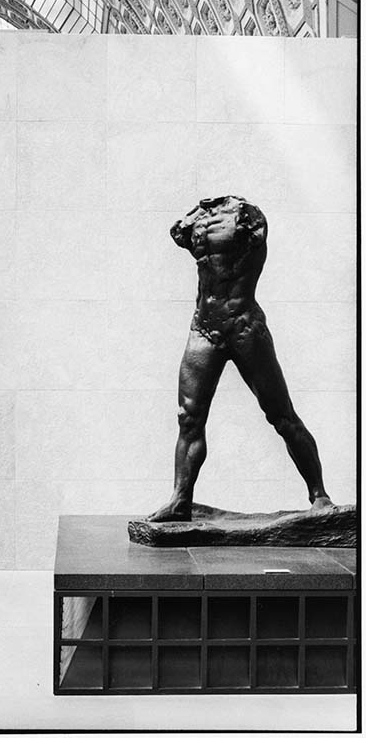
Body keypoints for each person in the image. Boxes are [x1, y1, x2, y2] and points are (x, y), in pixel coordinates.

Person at [148, 195, 332, 522]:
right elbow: (179, 235)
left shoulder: (248, 217)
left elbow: (254, 240)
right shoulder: (199, 220)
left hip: (243, 324)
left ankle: (319, 496)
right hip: (204, 327)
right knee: (189, 418)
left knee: (281, 415)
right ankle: (180, 500)